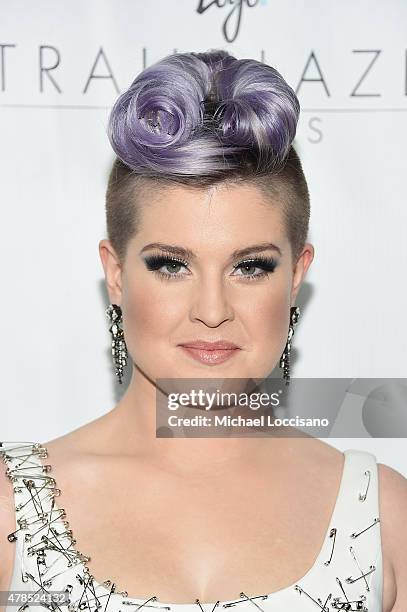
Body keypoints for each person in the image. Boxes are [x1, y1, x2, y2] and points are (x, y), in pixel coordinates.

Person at [0, 49, 405, 612]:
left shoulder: (385, 517)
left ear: (295, 277)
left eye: (251, 266)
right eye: (170, 264)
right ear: (115, 275)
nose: (211, 310)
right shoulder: (10, 511)